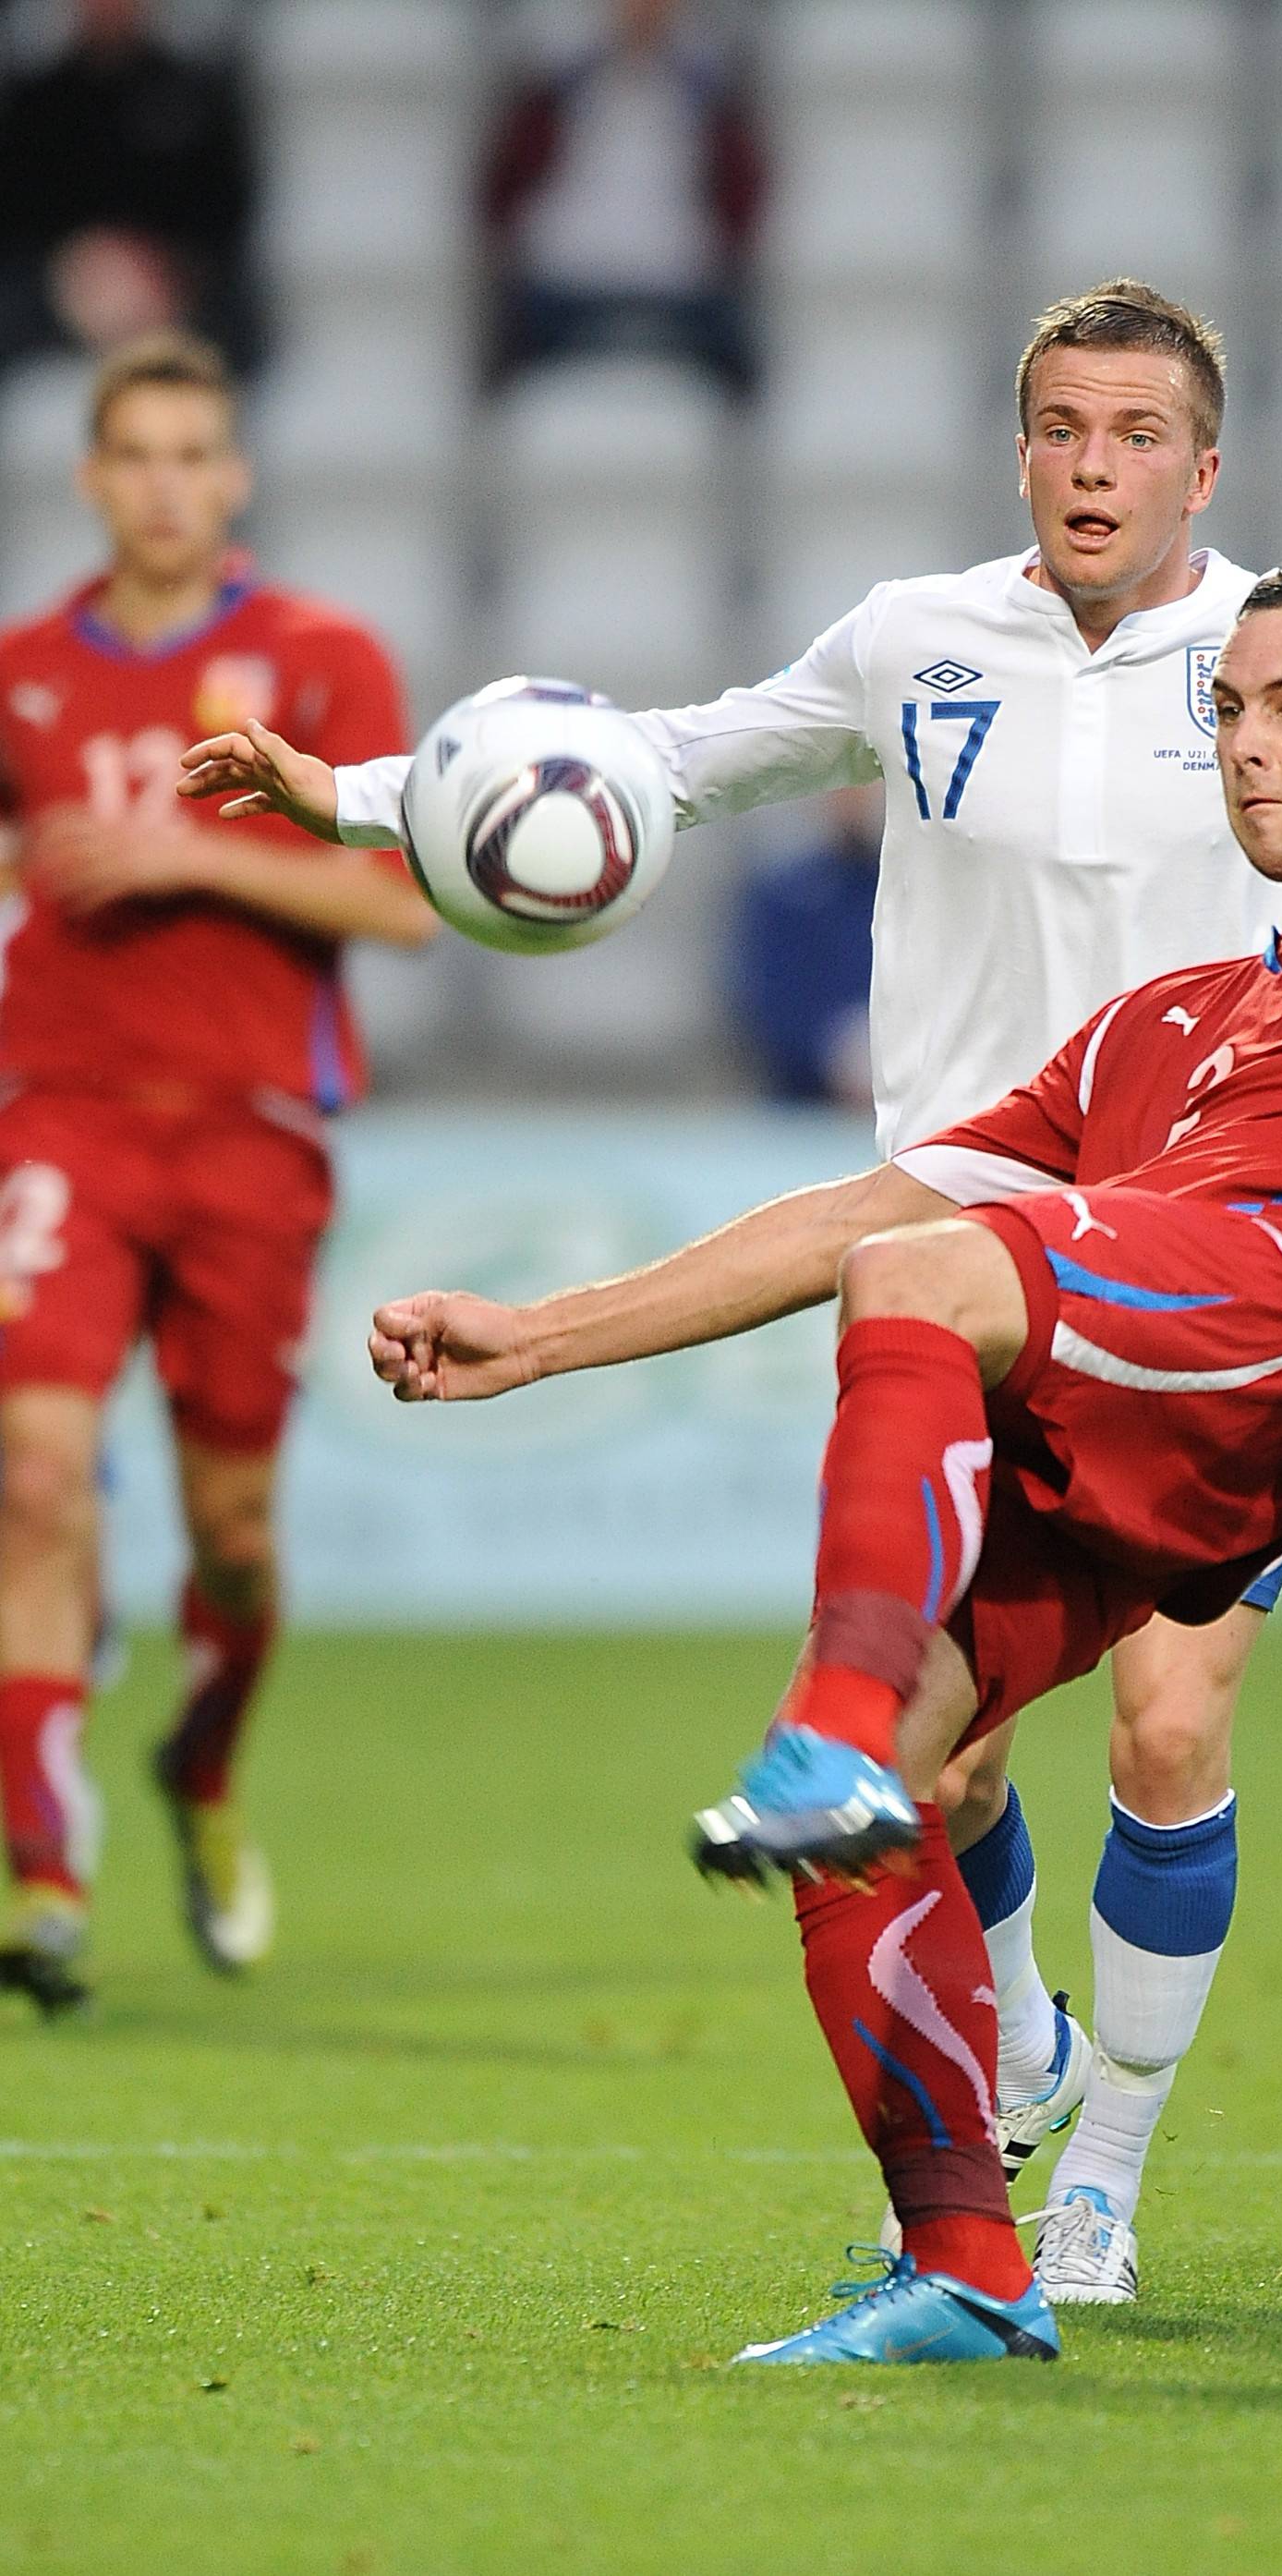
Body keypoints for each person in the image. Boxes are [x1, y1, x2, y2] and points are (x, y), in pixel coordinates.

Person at [176, 277, 1282, 2302]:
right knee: (941, 1768)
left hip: (1203, 1240)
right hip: (981, 1188)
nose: (1095, 465)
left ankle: (1096, 2166)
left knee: (1173, 1722)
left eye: (1136, 435)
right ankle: (1000, 2046)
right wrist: (360, 797)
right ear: (1019, 446)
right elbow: (666, 763)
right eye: (1060, 428)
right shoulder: (910, 639)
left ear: (1209, 466)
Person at [364, 562, 1282, 2363]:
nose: (1250, 750)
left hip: (1273, 1334)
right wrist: (535, 1335)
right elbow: (863, 1200)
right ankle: (968, 2256)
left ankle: (857, 1779)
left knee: (929, 1308)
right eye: (1233, 713)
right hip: (1138, 1416)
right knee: (893, 1779)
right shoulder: (1160, 1024)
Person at [0, 333, 429, 2018]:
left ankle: (202, 1756)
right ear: (95, 478)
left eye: (196, 451)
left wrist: (192, 850)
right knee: (32, 1475)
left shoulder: (321, 663)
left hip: (255, 1128)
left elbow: (407, 903)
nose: (167, 482)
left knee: (231, 1532)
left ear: (232, 477)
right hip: (63, 1121)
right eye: (138, 454)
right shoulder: (25, 673)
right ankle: (46, 1871)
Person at [482, 0, 767, 396]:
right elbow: (501, 188)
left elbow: (745, 192)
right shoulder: (555, 84)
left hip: (682, 290)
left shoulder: (710, 89)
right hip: (565, 287)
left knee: (747, 368)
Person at [0, 0, 261, 377]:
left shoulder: (193, 93)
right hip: (59, 283)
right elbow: (19, 217)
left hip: (174, 280)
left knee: (238, 333)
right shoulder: (39, 99)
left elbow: (225, 212)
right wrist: (81, 271)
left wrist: (161, 270)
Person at [729, 784, 880, 1107]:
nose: (853, 800)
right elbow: (761, 999)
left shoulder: (910, 891)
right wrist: (836, 1060)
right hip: (803, 1107)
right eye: (844, 788)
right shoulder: (784, 894)